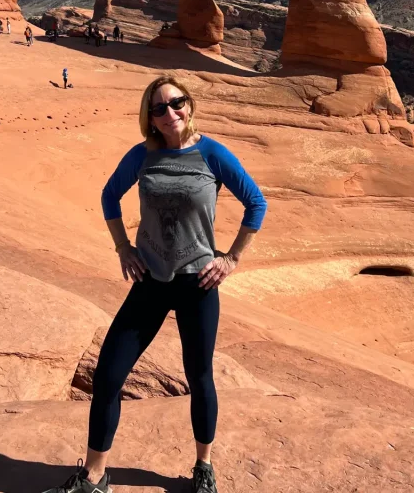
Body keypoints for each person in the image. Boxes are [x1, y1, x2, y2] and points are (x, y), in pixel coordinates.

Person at [41, 75, 267, 493]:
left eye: (176, 103)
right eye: (159, 108)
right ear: (149, 117)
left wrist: (231, 258)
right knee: (108, 375)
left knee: (199, 376)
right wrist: (123, 247)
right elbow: (110, 196)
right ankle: (94, 477)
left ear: (189, 105)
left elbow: (256, 202)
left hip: (198, 282)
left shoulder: (213, 154)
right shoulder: (142, 155)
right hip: (151, 279)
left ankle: (203, 467)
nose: (170, 114)